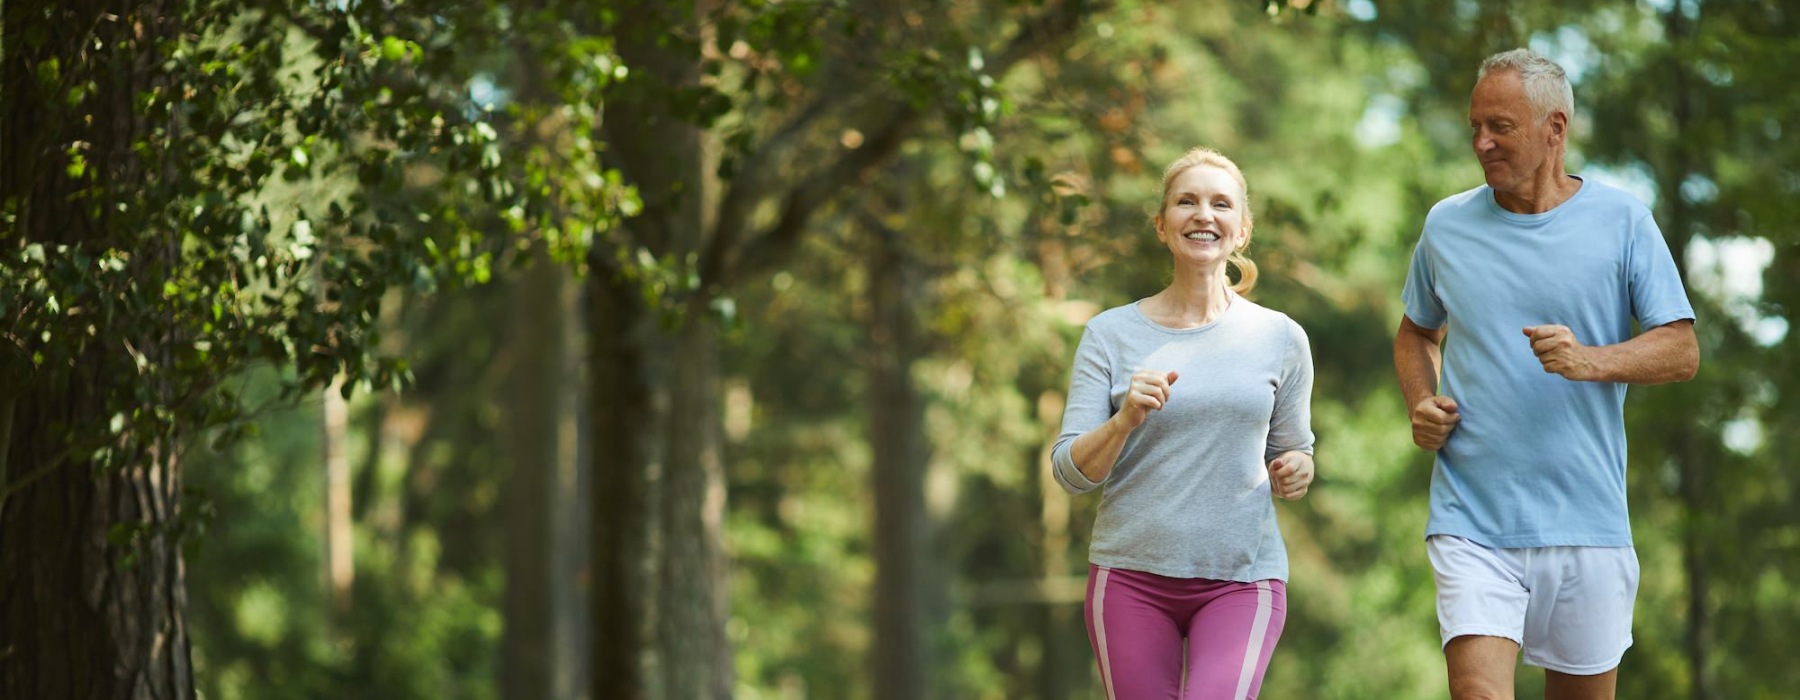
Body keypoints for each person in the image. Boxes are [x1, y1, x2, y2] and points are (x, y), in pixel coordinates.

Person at [1394, 48, 1700, 700]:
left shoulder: (1622, 221)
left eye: (1500, 126)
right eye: (1476, 125)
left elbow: (1681, 350)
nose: (1481, 141)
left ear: (1554, 129)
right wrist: (1422, 400)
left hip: (1588, 523)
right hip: (1472, 517)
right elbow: (1418, 331)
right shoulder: (1447, 225)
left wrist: (1592, 361)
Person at [1051, 146, 1316, 700]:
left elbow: (1294, 451)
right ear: (1162, 224)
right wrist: (1124, 420)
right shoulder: (1109, 334)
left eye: (1221, 204)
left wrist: (1296, 468)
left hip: (1243, 578)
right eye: (1186, 202)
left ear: (1241, 230)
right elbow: (1070, 472)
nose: (1203, 215)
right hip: (1129, 578)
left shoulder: (1281, 338)